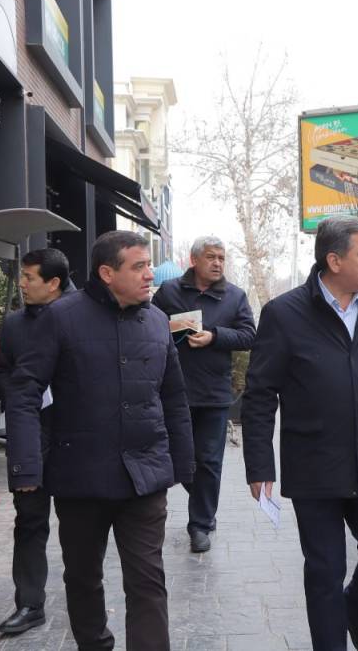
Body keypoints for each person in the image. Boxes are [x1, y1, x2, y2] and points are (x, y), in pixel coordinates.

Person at [6, 231, 194, 651]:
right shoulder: (61, 318)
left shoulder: (157, 322)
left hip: (144, 477)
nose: (149, 275)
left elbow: (173, 397)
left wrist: (184, 465)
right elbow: (24, 392)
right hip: (79, 476)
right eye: (139, 267)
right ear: (107, 273)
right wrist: (26, 466)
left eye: (149, 266)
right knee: (82, 576)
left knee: (148, 579)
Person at [242, 215, 358, 651]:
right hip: (315, 465)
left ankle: (353, 616)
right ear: (335, 261)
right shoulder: (284, 314)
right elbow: (260, 394)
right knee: (324, 571)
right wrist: (259, 465)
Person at [152, 236, 256, 553]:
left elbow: (249, 335)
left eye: (221, 258)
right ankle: (203, 502)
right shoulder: (169, 292)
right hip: (174, 391)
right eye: (211, 257)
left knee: (209, 461)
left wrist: (214, 336)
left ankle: (200, 524)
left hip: (214, 393)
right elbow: (149, 325)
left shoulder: (234, 296)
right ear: (194, 259)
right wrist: (174, 329)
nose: (217, 263)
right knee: (180, 459)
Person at [0, 248, 72, 636]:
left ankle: (85, 599)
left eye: (29, 277)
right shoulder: (14, 325)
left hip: (75, 436)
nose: (21, 284)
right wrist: (21, 396)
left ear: (53, 283)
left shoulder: (84, 316)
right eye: (21, 277)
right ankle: (29, 604)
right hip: (30, 434)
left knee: (80, 525)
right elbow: (1, 371)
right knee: (29, 520)